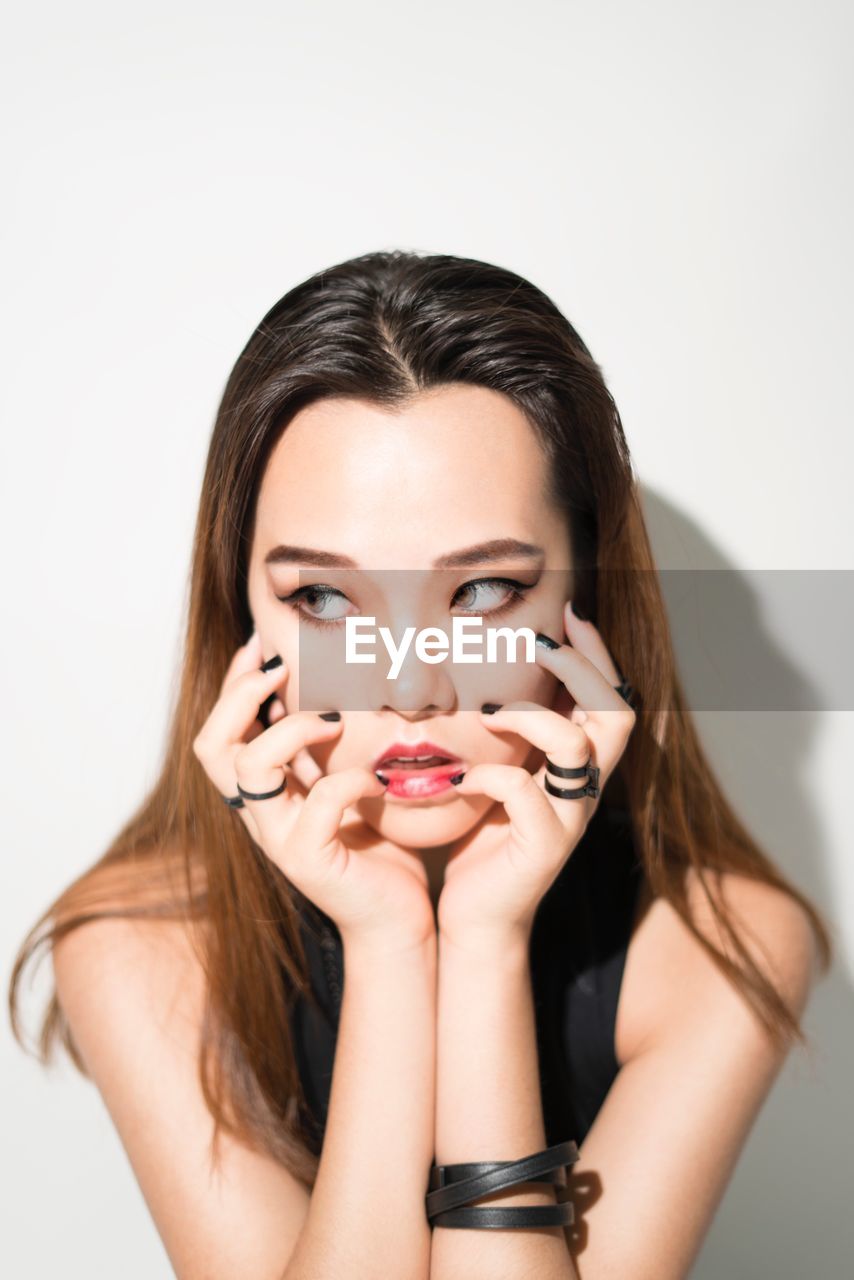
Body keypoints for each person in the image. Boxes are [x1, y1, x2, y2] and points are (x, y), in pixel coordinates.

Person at [8, 250, 832, 1280]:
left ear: (588, 603)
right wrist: (390, 942)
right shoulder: (139, 943)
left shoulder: (717, 940)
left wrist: (483, 940)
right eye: (323, 600)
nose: (409, 690)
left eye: (481, 591)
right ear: (241, 617)